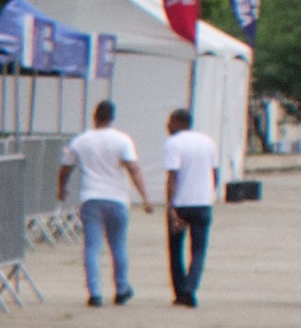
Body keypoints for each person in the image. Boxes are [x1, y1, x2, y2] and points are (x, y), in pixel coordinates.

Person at [63, 101, 144, 306]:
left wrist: (60, 187)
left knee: (92, 246)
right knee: (118, 245)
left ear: (94, 116)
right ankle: (122, 288)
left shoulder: (80, 141)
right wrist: (145, 196)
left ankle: (95, 292)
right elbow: (133, 168)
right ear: (112, 117)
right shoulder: (123, 140)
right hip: (117, 197)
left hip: (91, 197)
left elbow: (66, 167)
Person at [159, 106, 221, 305]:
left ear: (180, 123)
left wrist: (169, 206)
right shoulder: (208, 142)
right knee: (199, 250)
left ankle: (180, 292)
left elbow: (172, 177)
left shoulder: (173, 143)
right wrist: (211, 193)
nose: (167, 125)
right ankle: (190, 288)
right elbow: (215, 173)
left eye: (170, 121)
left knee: (175, 249)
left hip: (181, 204)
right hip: (202, 203)